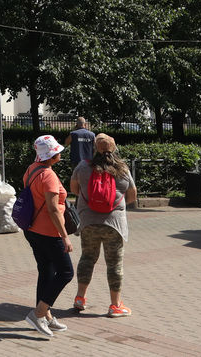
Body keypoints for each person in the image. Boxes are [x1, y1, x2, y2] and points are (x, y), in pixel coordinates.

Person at [70, 133, 137, 317]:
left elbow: (73, 189)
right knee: (114, 263)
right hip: (114, 224)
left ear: (94, 148)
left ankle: (79, 298)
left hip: (88, 222)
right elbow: (132, 195)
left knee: (87, 258)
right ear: (113, 148)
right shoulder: (122, 168)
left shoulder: (83, 166)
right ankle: (115, 305)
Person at [22, 134, 74, 338]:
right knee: (66, 273)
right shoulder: (49, 176)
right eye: (57, 151)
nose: (60, 153)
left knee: (46, 271)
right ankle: (38, 313)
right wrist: (65, 237)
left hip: (32, 229)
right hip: (48, 232)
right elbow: (53, 210)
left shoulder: (31, 169)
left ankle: (46, 316)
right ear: (51, 156)